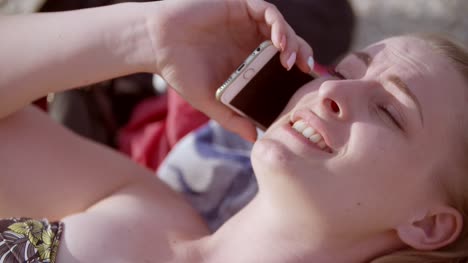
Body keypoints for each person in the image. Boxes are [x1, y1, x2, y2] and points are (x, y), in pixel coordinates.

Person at [0, 1, 468, 263]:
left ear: (428, 224)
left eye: (389, 111)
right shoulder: (144, 212)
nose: (332, 93)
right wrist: (146, 36)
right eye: (343, 73)